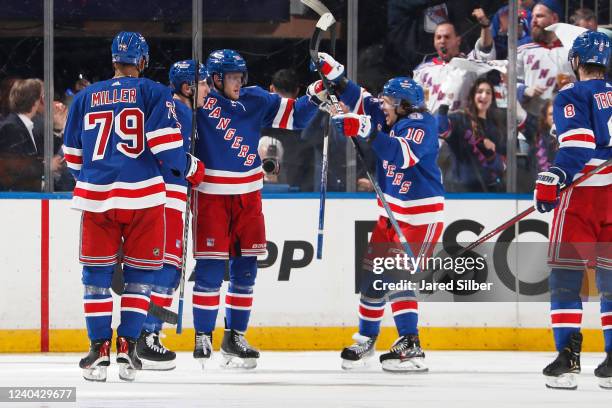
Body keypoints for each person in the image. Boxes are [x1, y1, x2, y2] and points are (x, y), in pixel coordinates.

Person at [62, 31, 204, 382]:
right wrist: (190, 168)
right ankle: (127, 350)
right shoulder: (154, 93)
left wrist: (98, 176)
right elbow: (166, 149)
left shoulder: (84, 97)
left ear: (113, 60)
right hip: (144, 199)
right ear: (142, 61)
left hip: (97, 200)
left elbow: (72, 158)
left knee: (95, 279)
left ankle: (98, 352)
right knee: (140, 279)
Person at [312, 53, 444, 372]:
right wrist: (334, 75)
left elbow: (402, 155)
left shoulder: (422, 124)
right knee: (373, 277)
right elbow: (359, 98)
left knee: (396, 275)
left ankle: (410, 344)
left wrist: (364, 128)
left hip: (419, 218)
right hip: (390, 214)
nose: (382, 106)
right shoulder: (388, 114)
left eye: (388, 103)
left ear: (402, 106)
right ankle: (367, 340)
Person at [191, 49, 317, 369]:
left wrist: (318, 93)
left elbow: (296, 115)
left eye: (241, 76)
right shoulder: (200, 100)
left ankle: (235, 336)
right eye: (233, 77)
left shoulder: (256, 99)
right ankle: (203, 333)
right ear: (216, 79)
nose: (239, 82)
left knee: (246, 269)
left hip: (249, 197)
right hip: (211, 196)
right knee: (209, 269)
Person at [533, 31, 611, 390]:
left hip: (581, 198)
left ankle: (567, 358)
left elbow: (577, 146)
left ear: (576, 61)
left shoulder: (572, 94)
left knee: (565, 278)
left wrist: (554, 176)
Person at [136, 59, 210, 370]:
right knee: (166, 268)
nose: (208, 89)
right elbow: (168, 154)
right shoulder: (177, 110)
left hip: (166, 197)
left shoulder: (180, 110)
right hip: (166, 198)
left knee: (165, 267)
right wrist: (191, 167)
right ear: (187, 87)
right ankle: (146, 337)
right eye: (203, 83)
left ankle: (144, 334)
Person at [412, 12, 496, 114]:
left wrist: (485, 25)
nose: (442, 41)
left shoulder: (470, 65)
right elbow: (415, 103)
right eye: (438, 37)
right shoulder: (423, 70)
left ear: (458, 40)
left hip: (460, 127)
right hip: (430, 127)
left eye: (447, 37)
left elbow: (485, 49)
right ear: (434, 42)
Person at [436, 77, 506, 192]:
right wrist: (443, 107)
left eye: (488, 92)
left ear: (492, 98)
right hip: (459, 189)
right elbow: (441, 130)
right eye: (480, 92)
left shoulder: (497, 126)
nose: (484, 96)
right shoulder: (459, 118)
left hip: (489, 190)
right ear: (472, 95)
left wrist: (491, 156)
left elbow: (502, 166)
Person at [0, 78, 62, 191]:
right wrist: (46, 166)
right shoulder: (10, 128)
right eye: (44, 97)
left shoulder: (26, 126)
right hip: (14, 202)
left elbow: (38, 156)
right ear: (36, 100)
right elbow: (13, 169)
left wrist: (57, 127)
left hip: (26, 200)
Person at [517, 0, 574, 115]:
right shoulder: (522, 50)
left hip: (567, 117)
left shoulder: (573, 50)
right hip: (531, 119)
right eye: (532, 17)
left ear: (554, 18)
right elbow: (508, 82)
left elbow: (591, 83)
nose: (533, 21)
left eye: (539, 16)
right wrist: (525, 90)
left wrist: (575, 86)